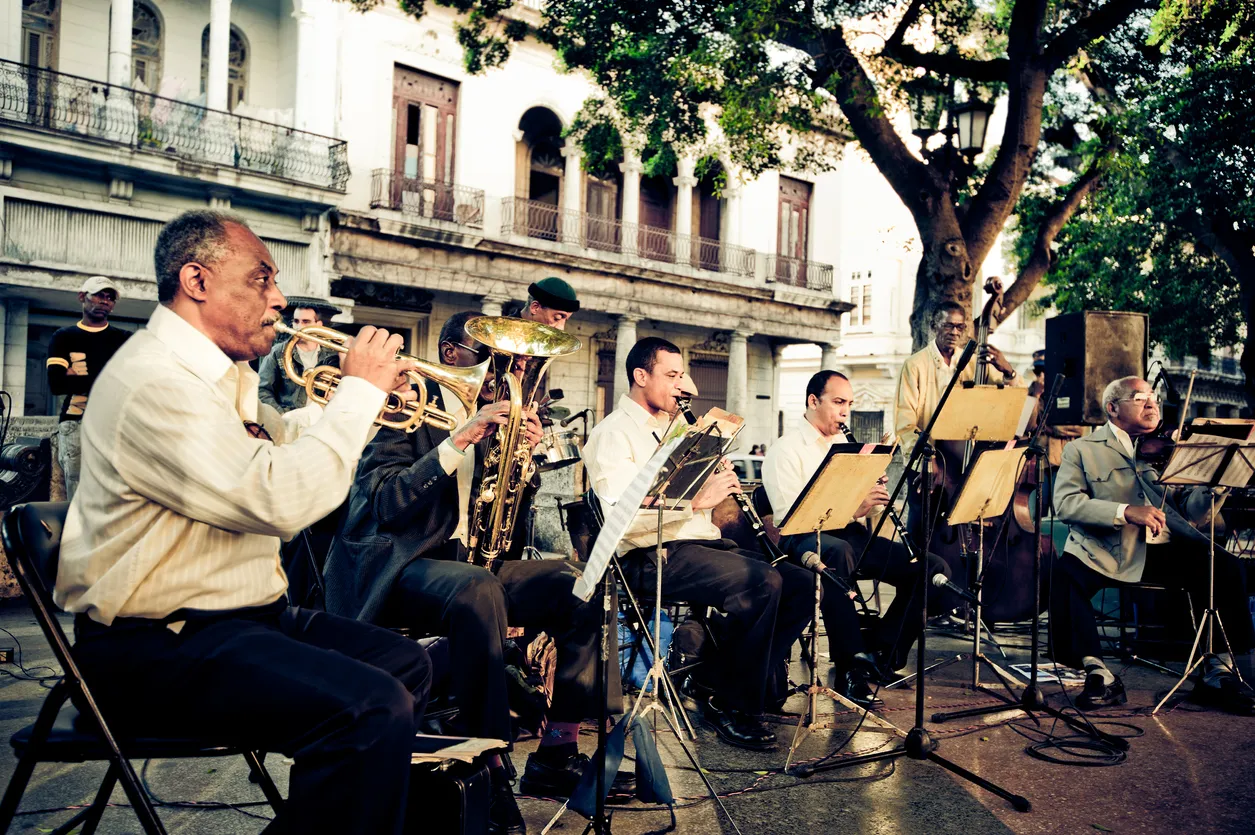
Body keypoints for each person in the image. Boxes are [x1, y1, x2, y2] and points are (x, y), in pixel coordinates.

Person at [53, 210, 432, 835]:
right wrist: (359, 394)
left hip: (239, 622)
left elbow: (280, 444)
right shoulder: (156, 382)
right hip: (153, 644)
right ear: (196, 281)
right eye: (261, 280)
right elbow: (280, 499)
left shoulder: (218, 376)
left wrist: (360, 405)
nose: (278, 300)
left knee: (406, 666)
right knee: (370, 709)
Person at [325, 310, 606, 833]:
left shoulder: (504, 415)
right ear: (452, 353)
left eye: (516, 365)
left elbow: (504, 526)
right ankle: (490, 766)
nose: (509, 374)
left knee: (578, 585)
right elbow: (387, 503)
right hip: (399, 562)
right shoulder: (410, 404)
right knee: (477, 590)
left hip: (469, 562)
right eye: (493, 359)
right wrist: (459, 440)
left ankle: (556, 752)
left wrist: (520, 468)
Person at [582, 337, 813, 749]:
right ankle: (729, 701)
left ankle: (716, 678)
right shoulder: (613, 434)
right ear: (640, 376)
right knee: (763, 583)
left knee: (798, 584)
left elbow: (697, 506)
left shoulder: (676, 429)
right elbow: (624, 521)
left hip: (698, 546)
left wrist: (715, 483)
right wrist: (695, 501)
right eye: (672, 376)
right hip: (649, 554)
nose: (683, 386)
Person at [1052, 375, 1255, 714]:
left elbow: (1191, 513)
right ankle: (1097, 671)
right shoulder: (1082, 449)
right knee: (1064, 575)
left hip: (1162, 549)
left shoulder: (1168, 452)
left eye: (1153, 397)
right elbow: (1066, 504)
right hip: (1105, 549)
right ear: (1112, 408)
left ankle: (1219, 669)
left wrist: (1214, 484)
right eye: (1139, 397)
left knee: (1225, 566)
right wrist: (1125, 511)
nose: (1151, 403)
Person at [763, 370, 959, 684]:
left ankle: (881, 651)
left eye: (849, 404)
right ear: (813, 401)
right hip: (805, 540)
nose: (845, 411)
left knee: (931, 567)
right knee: (838, 553)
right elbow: (790, 518)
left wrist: (869, 486)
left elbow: (853, 506)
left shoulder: (845, 444)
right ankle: (849, 665)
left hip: (849, 535)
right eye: (838, 402)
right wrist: (855, 507)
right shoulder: (785, 450)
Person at [894, 301, 1025, 459]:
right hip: (928, 462)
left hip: (966, 459)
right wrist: (927, 459)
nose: (954, 332)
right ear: (934, 326)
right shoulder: (914, 365)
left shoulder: (975, 363)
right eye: (948, 325)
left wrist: (1008, 371)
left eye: (960, 327)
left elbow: (1016, 400)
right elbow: (905, 425)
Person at [46, 276, 131, 500]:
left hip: (115, 424)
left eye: (110, 297)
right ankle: (79, 535)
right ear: (82, 297)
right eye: (99, 295)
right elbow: (56, 384)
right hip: (76, 422)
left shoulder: (124, 339)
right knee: (78, 492)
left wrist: (80, 376)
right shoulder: (63, 337)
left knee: (116, 491)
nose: (104, 301)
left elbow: (134, 384)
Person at [258, 296, 341, 413]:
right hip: (289, 420)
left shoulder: (332, 354)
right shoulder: (278, 352)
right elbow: (262, 390)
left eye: (306, 322)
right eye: (296, 321)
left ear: (319, 325)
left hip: (321, 420)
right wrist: (281, 417)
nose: (299, 326)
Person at [502, 276, 579, 330]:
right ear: (535, 307)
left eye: (565, 320)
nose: (561, 328)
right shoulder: (498, 335)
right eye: (557, 318)